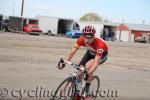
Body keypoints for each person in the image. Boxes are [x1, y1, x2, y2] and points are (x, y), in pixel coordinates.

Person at [58, 25, 108, 95]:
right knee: (80, 71)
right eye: (85, 38)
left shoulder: (100, 45)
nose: (87, 40)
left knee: (88, 66)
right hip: (90, 52)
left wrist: (88, 74)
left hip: (102, 54)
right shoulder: (80, 40)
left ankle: (87, 87)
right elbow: (72, 52)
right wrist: (64, 63)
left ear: (93, 37)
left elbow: (96, 63)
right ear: (83, 36)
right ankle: (77, 90)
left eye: (89, 38)